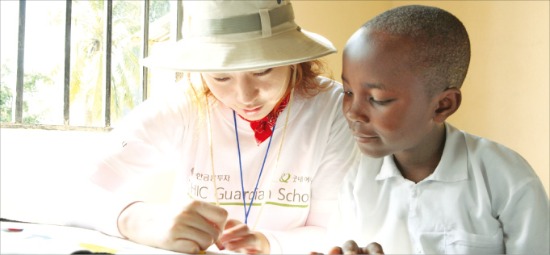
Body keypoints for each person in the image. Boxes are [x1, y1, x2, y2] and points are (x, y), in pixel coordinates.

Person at [69, 0, 358, 254]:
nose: (245, 96)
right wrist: (141, 221)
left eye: (261, 70)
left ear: (293, 59)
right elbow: (72, 190)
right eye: (221, 77)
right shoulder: (186, 102)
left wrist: (267, 244)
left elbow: (333, 231)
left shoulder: (333, 109)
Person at [318, 4, 549, 254]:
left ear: (442, 105)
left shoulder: (506, 179)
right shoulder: (356, 181)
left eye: (378, 99)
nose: (353, 112)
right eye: (348, 92)